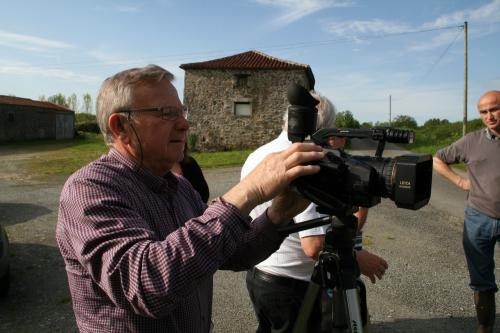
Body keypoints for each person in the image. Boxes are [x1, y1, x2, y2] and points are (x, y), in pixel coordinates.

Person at [55, 64, 326, 333]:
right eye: (167, 113)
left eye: (181, 112)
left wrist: (278, 214)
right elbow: (147, 286)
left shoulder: (180, 188)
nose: (185, 124)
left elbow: (232, 252)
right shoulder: (89, 189)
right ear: (121, 126)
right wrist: (248, 192)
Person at [241, 91, 388, 333]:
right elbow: (313, 245)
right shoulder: (305, 161)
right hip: (292, 284)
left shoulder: (259, 154)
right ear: (325, 128)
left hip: (261, 273)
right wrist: (358, 259)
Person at [433, 90, 500, 333]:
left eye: (494, 109)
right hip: (478, 218)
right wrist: (460, 182)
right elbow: (438, 159)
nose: (489, 116)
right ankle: (485, 326)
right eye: (484, 112)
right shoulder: (471, 141)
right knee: (481, 280)